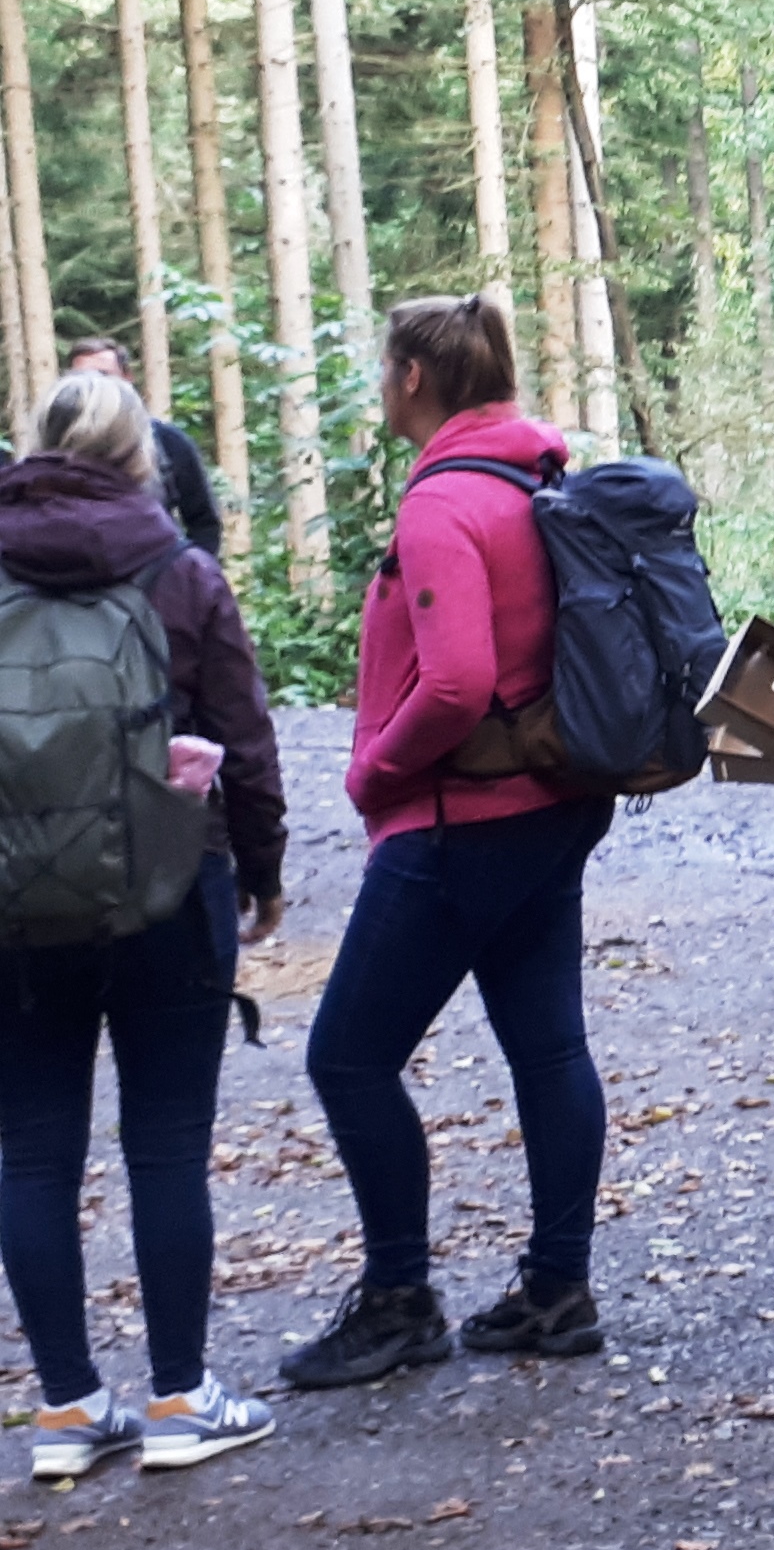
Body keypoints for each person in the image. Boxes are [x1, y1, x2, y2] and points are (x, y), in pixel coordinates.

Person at [285, 297, 621, 1390]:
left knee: (346, 1054)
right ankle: (558, 1290)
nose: (382, 386)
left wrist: (375, 764)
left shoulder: (442, 504)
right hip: (553, 805)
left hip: (455, 823)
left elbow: (458, 681)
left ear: (418, 377)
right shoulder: (537, 477)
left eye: (386, 369)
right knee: (548, 1046)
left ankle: (396, 1300)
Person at [0, 374, 284, 1475]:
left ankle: (67, 1412)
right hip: (172, 887)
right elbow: (245, 739)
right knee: (164, 1143)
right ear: (142, 462)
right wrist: (260, 869)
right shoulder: (180, 569)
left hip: (17, 907)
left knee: (32, 1153)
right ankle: (180, 1398)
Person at [57, 337, 221, 558]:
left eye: (104, 375)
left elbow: (204, 522)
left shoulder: (169, 443)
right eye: (82, 377)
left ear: (127, 378)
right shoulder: (54, 446)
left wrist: (191, 577)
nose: (95, 386)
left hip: (155, 578)